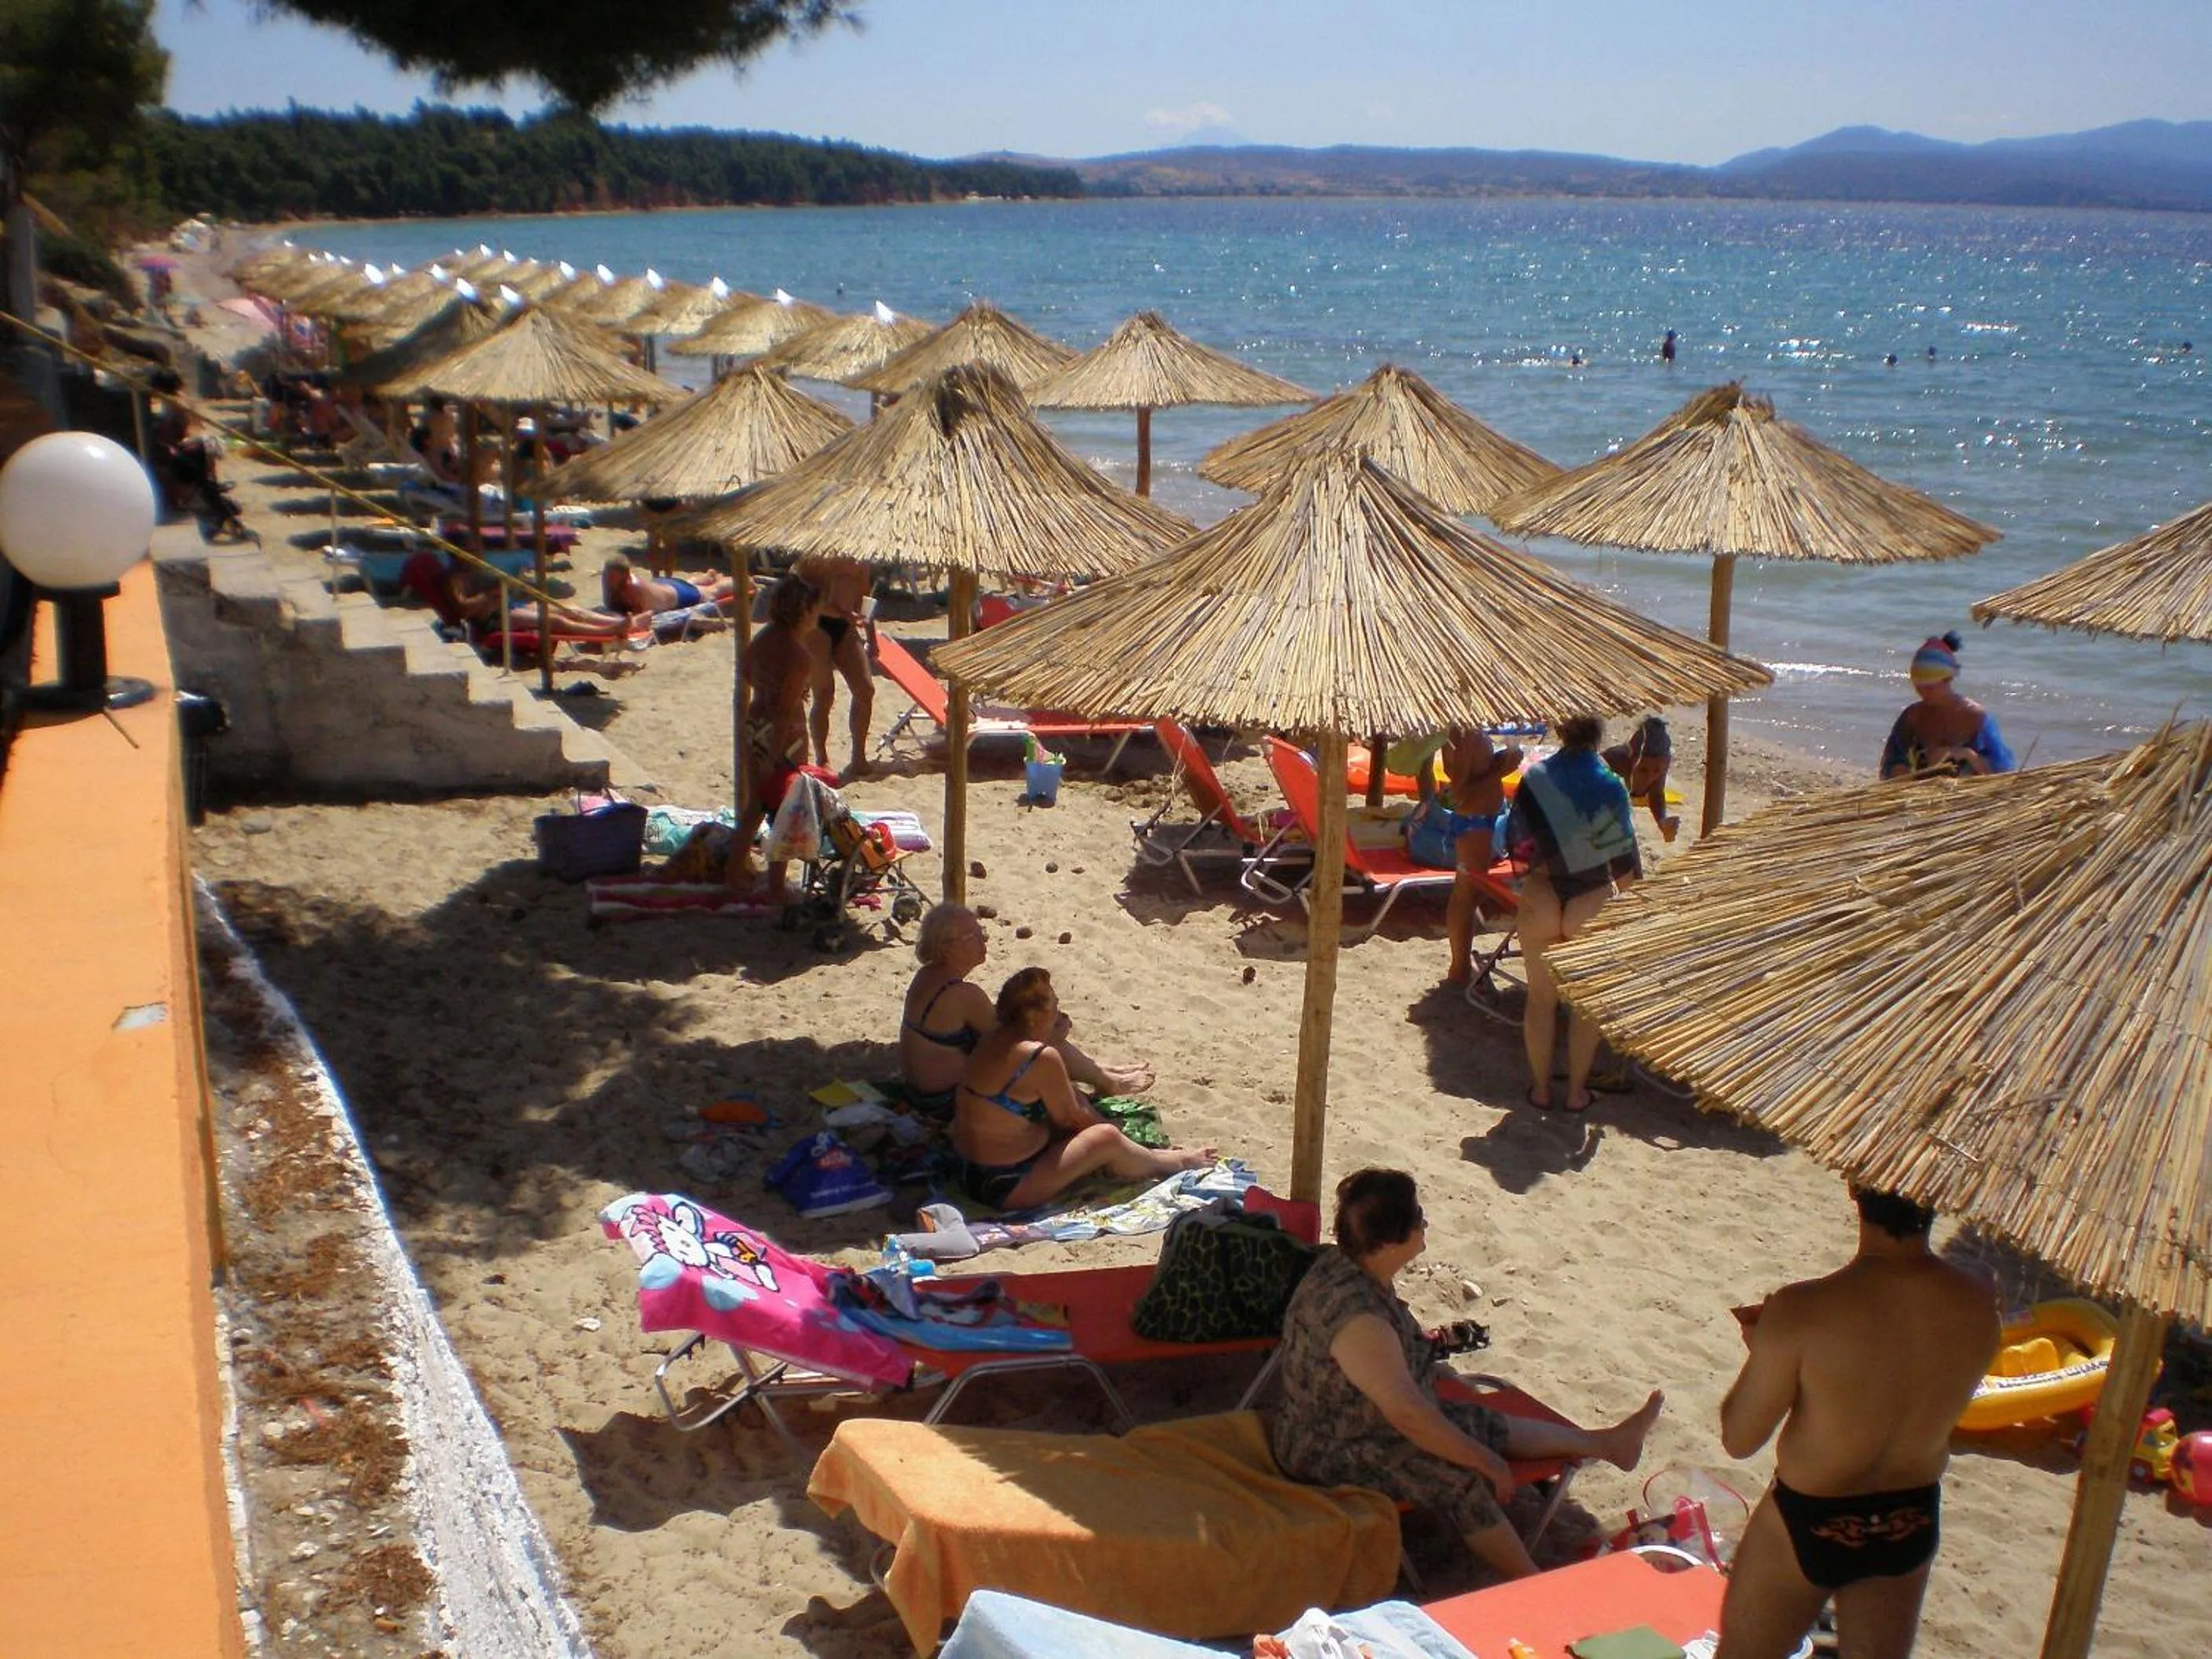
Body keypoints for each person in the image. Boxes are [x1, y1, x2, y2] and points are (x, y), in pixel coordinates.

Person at [1273, 1168, 1664, 1580]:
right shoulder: (1358, 1320)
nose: (1425, 1223)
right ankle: (1530, 1578)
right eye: (1418, 1217)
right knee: (1460, 1478)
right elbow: (1408, 1415)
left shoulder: (1351, 1266)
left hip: (1361, 1419)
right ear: (1389, 1242)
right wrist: (1487, 1463)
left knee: (1482, 1422)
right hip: (1330, 1447)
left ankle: (1607, 1444)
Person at [1716, 1187, 2001, 1659]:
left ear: (1853, 1189)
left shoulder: (1803, 1309)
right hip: (1909, 1517)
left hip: (1811, 1514)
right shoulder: (1980, 1297)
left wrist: (1765, 1348)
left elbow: (1739, 1438)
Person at [947, 967, 1212, 1210]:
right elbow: (1073, 1120)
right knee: (1105, 1138)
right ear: (1037, 1016)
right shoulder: (1039, 1056)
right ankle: (1170, 1162)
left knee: (1068, 1100)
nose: (1059, 1011)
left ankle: (1144, 1153)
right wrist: (1119, 1134)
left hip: (965, 1170)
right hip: (1007, 1184)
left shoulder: (992, 1038)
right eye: (1055, 1005)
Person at [901, 903, 1154, 1115]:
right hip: (945, 1102)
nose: (983, 939)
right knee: (1040, 1037)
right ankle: (1105, 1079)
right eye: (973, 936)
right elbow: (1014, 1041)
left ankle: (1103, 1073)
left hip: (921, 1091)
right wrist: (1052, 1033)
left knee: (1038, 1022)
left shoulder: (927, 976)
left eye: (981, 931)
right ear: (948, 947)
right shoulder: (963, 995)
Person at [1511, 716, 1640, 1112]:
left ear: (1561, 731)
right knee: (1585, 1005)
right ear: (1598, 735)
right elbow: (1622, 857)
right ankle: (1576, 1093)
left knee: (1540, 1000)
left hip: (1543, 892)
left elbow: (1517, 840)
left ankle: (1541, 1090)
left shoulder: (1536, 778)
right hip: (1590, 895)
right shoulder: (1609, 785)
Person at [727, 576, 826, 902]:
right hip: (784, 738)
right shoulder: (799, 657)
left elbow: (746, 673)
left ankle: (732, 872)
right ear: (805, 610)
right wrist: (774, 754)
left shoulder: (763, 639)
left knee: (756, 805)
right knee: (787, 808)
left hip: (755, 722)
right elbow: (785, 711)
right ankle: (774, 886)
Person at [1428, 729, 1523, 985]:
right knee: (1467, 893)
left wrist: (1501, 761)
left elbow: (1469, 776)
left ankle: (1460, 963)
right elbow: (1457, 792)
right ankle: (1459, 968)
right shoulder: (1464, 735)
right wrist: (1498, 772)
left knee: (1472, 892)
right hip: (1474, 820)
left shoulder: (1467, 732)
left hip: (1480, 819)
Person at [1877, 632, 2016, 779]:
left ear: (1948, 679)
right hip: (1922, 792)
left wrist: (1966, 755)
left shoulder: (1976, 717)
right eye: (1919, 687)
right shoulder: (1912, 716)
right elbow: (1890, 761)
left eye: (1930, 688)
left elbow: (2003, 771)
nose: (1924, 693)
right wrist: (1899, 770)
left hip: (1968, 793)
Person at [794, 551, 875, 782]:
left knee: (865, 689)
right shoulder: (820, 557)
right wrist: (844, 613)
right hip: (816, 624)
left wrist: (871, 635)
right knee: (825, 693)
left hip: (846, 625)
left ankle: (859, 755)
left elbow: (865, 598)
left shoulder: (863, 557)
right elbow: (810, 599)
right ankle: (822, 758)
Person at [1602, 714, 1679, 842]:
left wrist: (1662, 822)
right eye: (1643, 770)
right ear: (1630, 759)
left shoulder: (1660, 764)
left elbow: (1656, 794)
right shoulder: (1614, 763)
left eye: (1657, 771)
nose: (1650, 778)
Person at [600, 555, 735, 617]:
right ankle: (702, 579)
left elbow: (639, 618)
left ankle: (744, 581)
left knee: (712, 592)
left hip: (678, 594)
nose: (607, 580)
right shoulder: (611, 580)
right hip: (663, 585)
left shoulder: (634, 591)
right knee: (685, 586)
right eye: (607, 575)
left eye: (611, 576)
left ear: (625, 576)